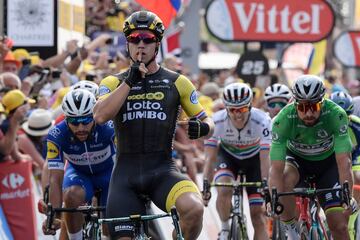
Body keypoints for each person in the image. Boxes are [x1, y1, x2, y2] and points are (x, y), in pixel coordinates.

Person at [93, 10, 214, 240]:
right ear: (127, 44)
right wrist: (130, 80)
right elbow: (100, 116)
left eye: (147, 39)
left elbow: (207, 120)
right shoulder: (113, 82)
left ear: (157, 44)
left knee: (194, 209)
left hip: (162, 172)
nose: (141, 44)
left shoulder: (178, 82)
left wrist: (204, 128)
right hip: (125, 176)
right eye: (134, 39)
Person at [269, 75, 354, 240]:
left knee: (340, 226)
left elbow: (344, 161)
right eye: (302, 107)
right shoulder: (283, 119)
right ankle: (291, 230)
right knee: (285, 177)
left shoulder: (336, 115)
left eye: (314, 106)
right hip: (297, 162)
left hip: (328, 166)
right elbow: (276, 168)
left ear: (322, 102)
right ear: (295, 103)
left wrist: (348, 196)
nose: (308, 113)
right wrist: (273, 198)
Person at [42, 89, 116, 240]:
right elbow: (55, 179)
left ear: (94, 115)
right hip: (79, 174)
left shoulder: (110, 128)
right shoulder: (56, 134)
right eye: (74, 122)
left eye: (86, 120)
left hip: (109, 174)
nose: (80, 128)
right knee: (70, 195)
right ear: (66, 119)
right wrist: (53, 215)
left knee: (110, 226)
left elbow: (126, 161)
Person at [202, 82, 271, 240]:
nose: (238, 114)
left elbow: (266, 156)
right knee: (223, 189)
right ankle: (225, 228)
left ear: (250, 106)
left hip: (255, 161)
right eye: (233, 110)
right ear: (225, 108)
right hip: (229, 158)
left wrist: (267, 183)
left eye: (243, 109)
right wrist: (206, 184)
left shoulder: (262, 120)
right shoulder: (216, 122)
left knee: (257, 215)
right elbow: (210, 158)